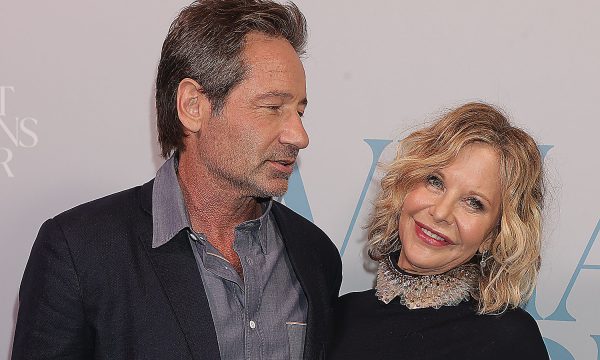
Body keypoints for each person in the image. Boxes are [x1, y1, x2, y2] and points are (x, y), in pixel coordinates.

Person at [12, 1, 342, 359]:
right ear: (192, 106)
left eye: (300, 111)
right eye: (273, 107)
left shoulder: (316, 257)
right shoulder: (79, 252)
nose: (299, 135)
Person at [330, 102, 549, 360]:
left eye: (473, 203)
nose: (441, 212)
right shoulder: (341, 316)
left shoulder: (508, 339)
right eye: (435, 182)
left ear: (493, 236)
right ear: (406, 184)